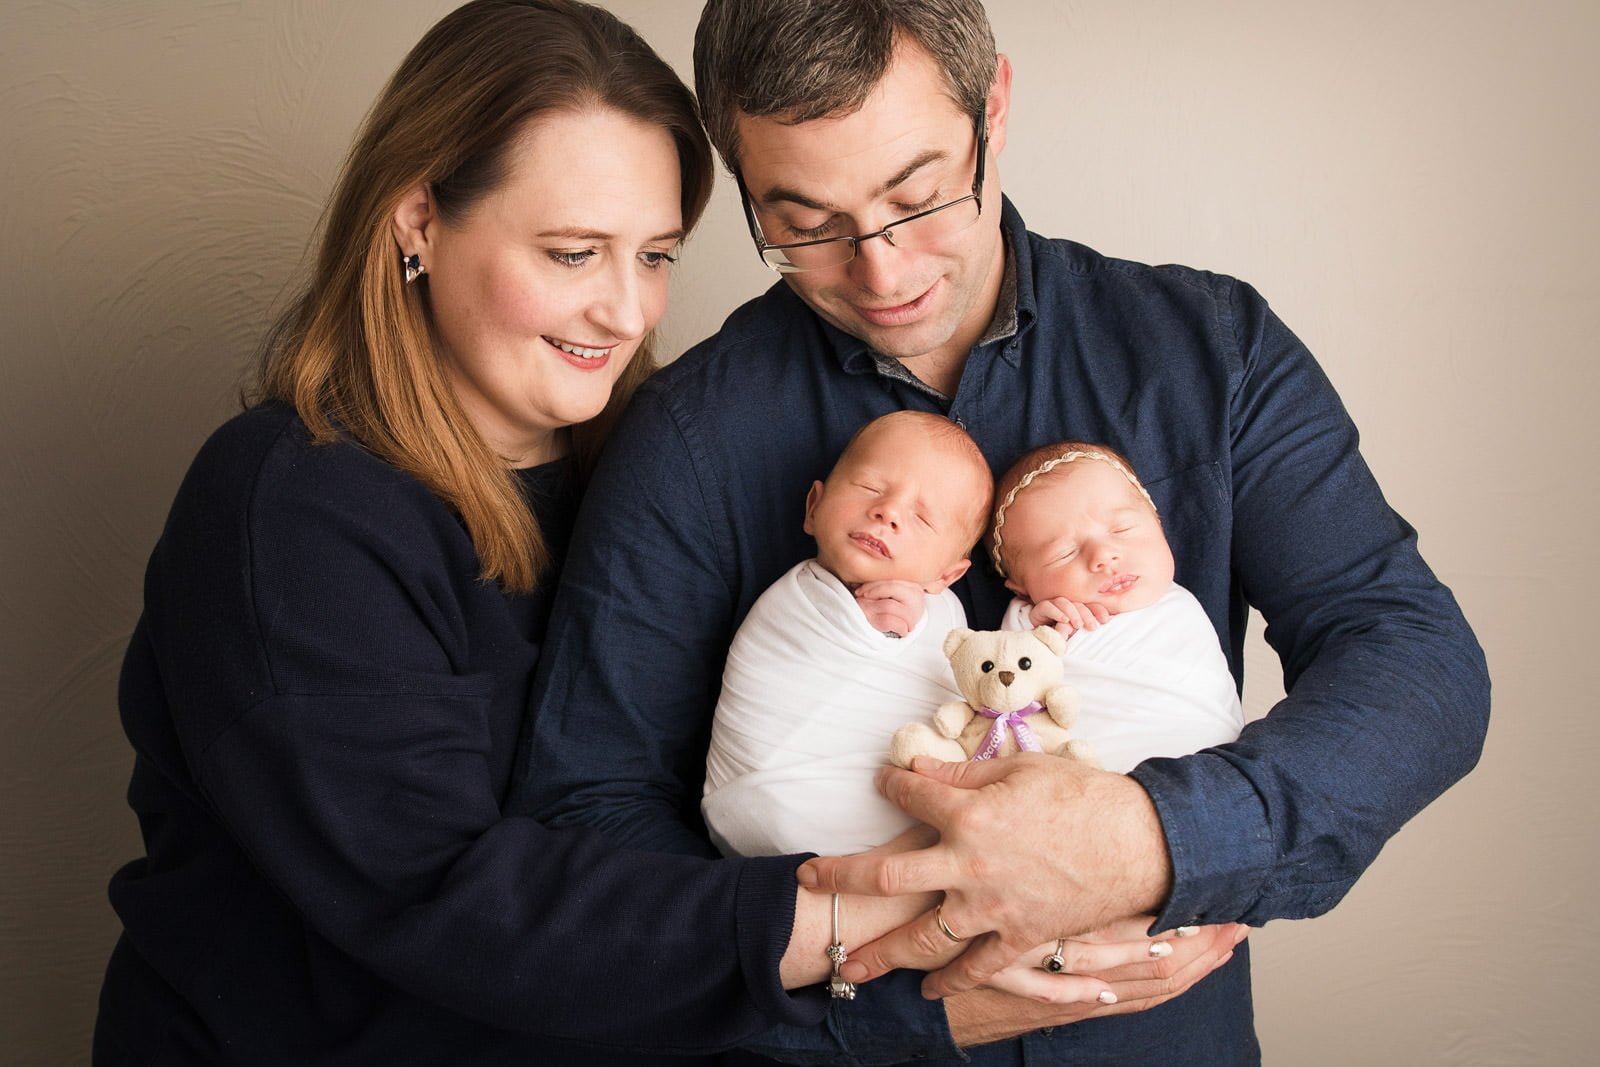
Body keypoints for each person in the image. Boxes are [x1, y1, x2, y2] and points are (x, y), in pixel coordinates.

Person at [512, 0, 1487, 1062]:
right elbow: (587, 808)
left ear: (997, 107)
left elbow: (1412, 657)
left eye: (919, 197)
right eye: (802, 223)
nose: (881, 275)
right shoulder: (685, 436)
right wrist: (884, 1005)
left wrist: (1155, 839)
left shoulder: (1212, 354)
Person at [92, 2, 982, 1063]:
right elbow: (446, 895)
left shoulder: (651, 476)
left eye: (654, 255)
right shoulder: (289, 509)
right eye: (571, 253)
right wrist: (901, 929)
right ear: (418, 217)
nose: (625, 311)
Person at [702, 410, 992, 858]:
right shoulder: (796, 603)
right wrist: (876, 635)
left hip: (897, 834)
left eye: (922, 517)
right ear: (813, 507)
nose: (888, 512)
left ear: (947, 575)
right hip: (772, 807)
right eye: (871, 488)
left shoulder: (948, 618)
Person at [990, 441, 1243, 773]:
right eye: (1064, 553)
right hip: (1075, 783)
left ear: (1158, 524)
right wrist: (1034, 631)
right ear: (1023, 588)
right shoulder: (1038, 624)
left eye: (1122, 529)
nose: (1103, 555)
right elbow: (997, 687)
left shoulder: (1178, 605)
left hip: (1204, 778)